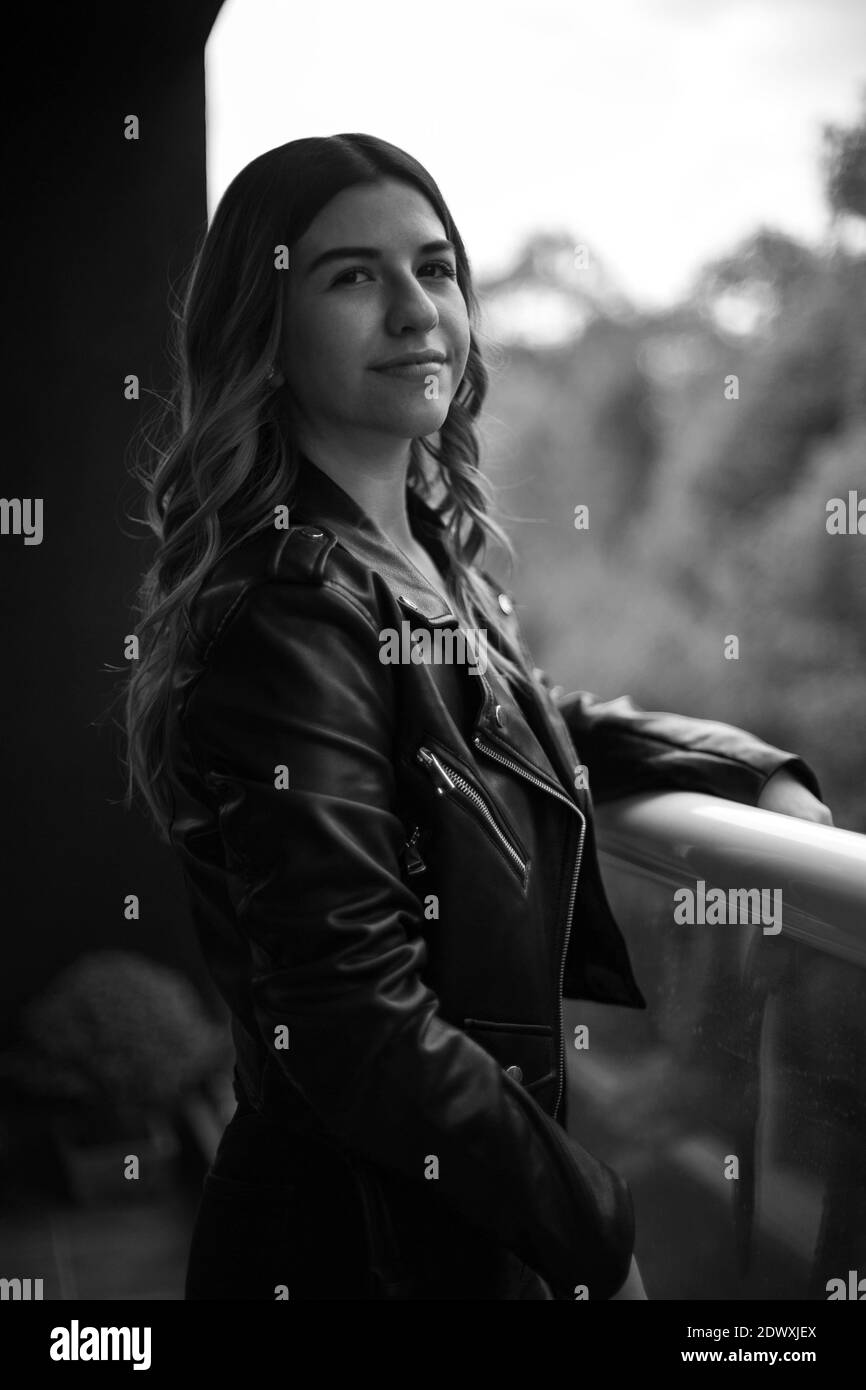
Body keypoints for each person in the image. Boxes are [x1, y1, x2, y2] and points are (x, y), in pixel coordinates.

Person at [122, 134, 831, 1301]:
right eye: (352, 276)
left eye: (435, 268)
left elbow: (508, 719)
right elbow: (352, 1018)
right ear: (266, 328)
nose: (414, 310)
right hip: (357, 1255)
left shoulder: (416, 553)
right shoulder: (293, 612)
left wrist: (741, 766)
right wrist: (590, 1231)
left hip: (444, 1224)